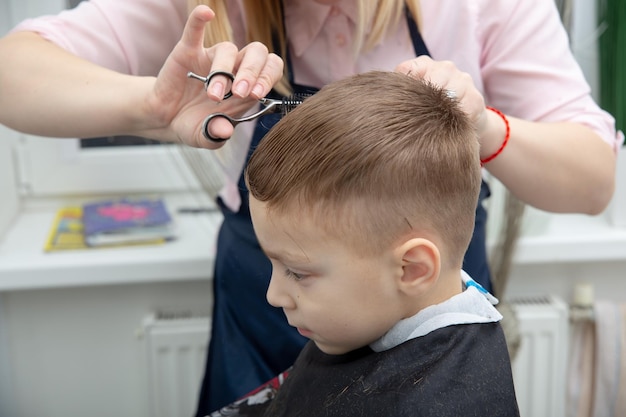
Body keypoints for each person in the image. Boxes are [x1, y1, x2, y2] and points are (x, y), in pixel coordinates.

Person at [0, 1, 621, 414]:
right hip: (252, 327)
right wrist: (153, 106)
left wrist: (482, 128)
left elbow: (593, 180)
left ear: (414, 265)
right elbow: (14, 70)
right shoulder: (220, 9)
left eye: (294, 272)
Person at [208, 70, 520, 416]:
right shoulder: (368, 322)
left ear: (412, 268)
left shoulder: (440, 402)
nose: (273, 295)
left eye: (297, 272)